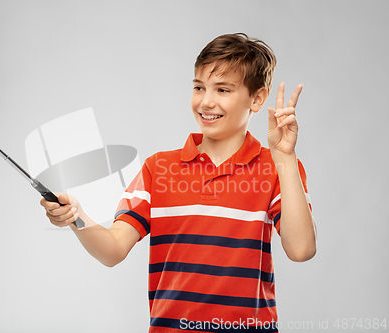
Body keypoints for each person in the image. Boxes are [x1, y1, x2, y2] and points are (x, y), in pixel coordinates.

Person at [41, 33, 317, 332]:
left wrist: (284, 156)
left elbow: (301, 250)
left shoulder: (277, 168)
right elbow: (113, 249)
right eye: (199, 87)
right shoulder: (158, 168)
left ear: (257, 98)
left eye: (223, 89)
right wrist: (76, 216)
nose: (206, 101)